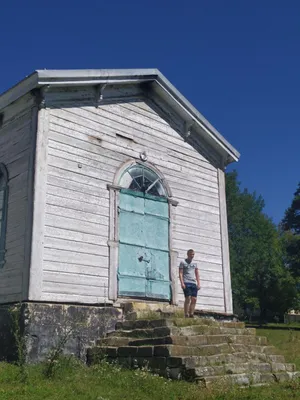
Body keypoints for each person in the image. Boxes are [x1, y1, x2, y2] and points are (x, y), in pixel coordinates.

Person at [179, 249, 200, 318]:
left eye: (193, 254)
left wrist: (198, 283)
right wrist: (182, 283)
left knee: (194, 298)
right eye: (191, 254)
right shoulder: (183, 262)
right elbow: (181, 273)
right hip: (186, 281)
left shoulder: (195, 263)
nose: (192, 256)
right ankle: (186, 314)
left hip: (193, 282)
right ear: (188, 254)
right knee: (188, 297)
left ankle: (191, 313)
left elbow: (197, 274)